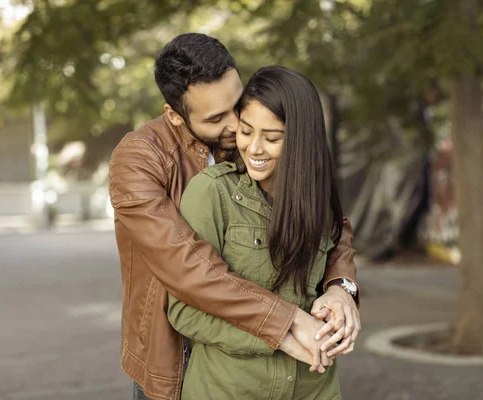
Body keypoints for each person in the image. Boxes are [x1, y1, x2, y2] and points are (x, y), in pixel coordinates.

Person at [109, 34, 360, 400]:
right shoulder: (137, 160)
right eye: (216, 118)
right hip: (172, 354)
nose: (236, 123)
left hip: (263, 365)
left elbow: (326, 222)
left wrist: (341, 287)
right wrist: (289, 322)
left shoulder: (247, 140)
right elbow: (188, 268)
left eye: (236, 104)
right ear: (175, 116)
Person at [168, 66, 348, 399]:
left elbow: (337, 258)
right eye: (246, 131)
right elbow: (183, 311)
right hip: (230, 390)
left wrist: (342, 295)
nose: (254, 148)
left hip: (315, 390)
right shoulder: (211, 194)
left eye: (273, 138)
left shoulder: (319, 199)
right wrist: (285, 336)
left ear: (300, 140)